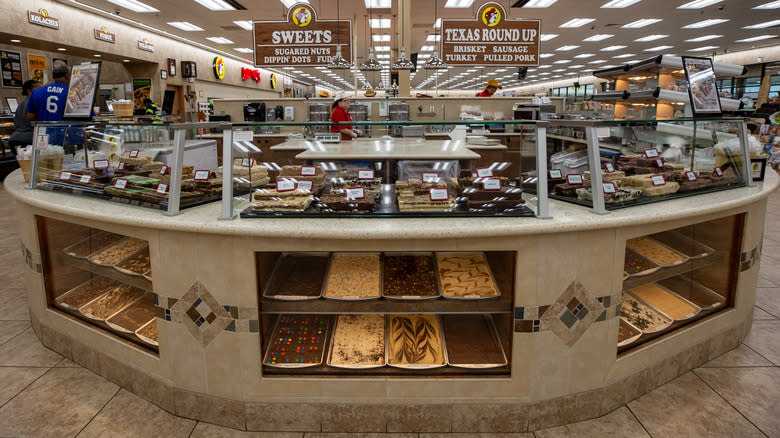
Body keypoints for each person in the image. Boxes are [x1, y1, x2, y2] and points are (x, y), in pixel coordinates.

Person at [26, 61, 70, 147]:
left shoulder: (37, 92)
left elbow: (30, 117)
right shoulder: (72, 92)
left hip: (44, 137)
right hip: (67, 137)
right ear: (67, 75)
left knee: (47, 159)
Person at [8, 80, 41, 149]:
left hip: (14, 138)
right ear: (29, 90)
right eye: (39, 88)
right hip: (29, 139)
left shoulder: (21, 103)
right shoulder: (34, 102)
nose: (41, 91)